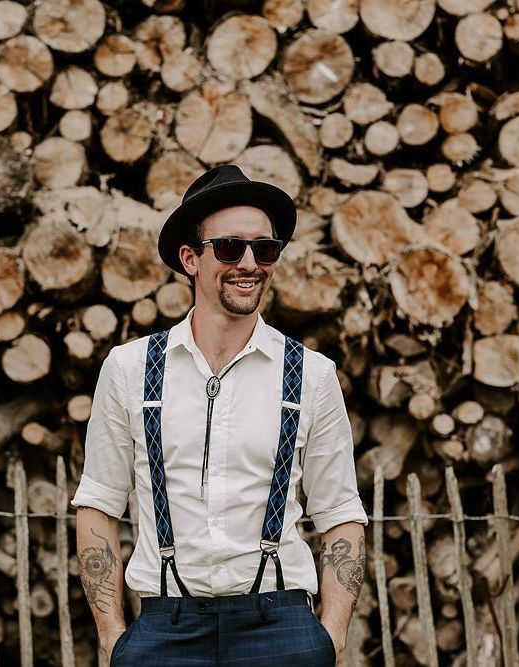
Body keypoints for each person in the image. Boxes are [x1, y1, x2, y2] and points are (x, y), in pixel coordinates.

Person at [71, 165, 368, 666]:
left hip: (282, 629)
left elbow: (339, 512)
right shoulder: (129, 369)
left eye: (265, 248)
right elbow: (98, 504)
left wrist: (331, 634)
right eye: (230, 247)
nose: (249, 263)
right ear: (190, 258)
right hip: (165, 629)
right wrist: (113, 635)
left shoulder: (312, 375)